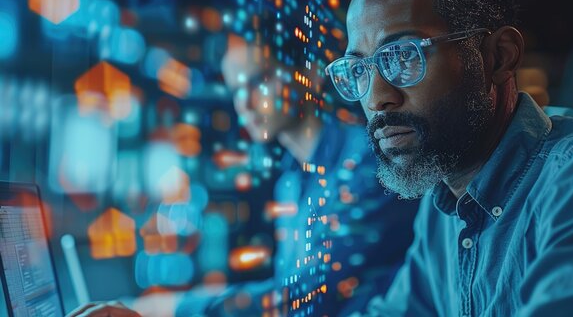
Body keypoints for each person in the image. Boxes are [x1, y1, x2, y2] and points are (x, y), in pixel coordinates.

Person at [321, 0, 573, 316]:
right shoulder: (442, 205)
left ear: (499, 57)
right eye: (359, 69)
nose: (376, 98)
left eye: (403, 56)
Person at [67, 38, 418, 316]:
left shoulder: (364, 163)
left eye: (258, 81)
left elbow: (302, 300)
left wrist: (164, 308)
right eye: (235, 90)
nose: (245, 104)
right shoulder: (291, 183)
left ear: (307, 74)